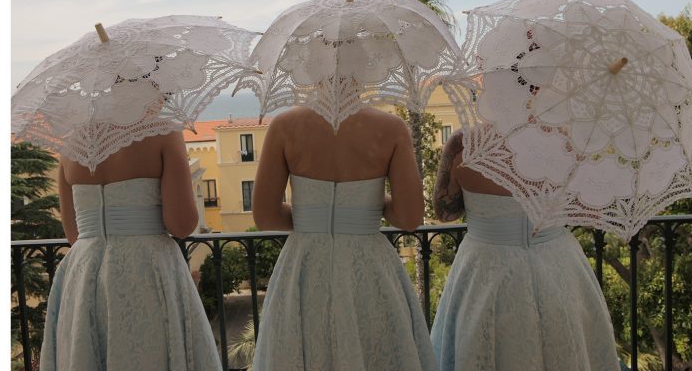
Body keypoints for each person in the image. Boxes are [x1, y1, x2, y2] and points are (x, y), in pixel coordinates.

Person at [250, 106, 436, 371]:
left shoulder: (283, 126)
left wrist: (311, 217)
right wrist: (370, 204)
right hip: (369, 267)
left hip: (305, 264)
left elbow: (265, 216)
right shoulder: (392, 128)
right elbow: (409, 217)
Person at [429, 129, 620, 371]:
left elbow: (445, 212)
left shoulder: (464, 143)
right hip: (558, 267)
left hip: (485, 270)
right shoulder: (568, 139)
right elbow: (592, 213)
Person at [40, 132, 223, 371]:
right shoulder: (163, 131)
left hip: (84, 274)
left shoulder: (71, 139)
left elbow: (73, 234)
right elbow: (181, 224)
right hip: (147, 269)